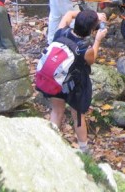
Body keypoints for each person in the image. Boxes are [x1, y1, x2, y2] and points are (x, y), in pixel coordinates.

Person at [45, 9, 107, 153]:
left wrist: (92, 15)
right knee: (78, 116)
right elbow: (92, 59)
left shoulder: (60, 32)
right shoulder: (85, 49)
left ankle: (50, 142)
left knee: (57, 111)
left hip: (56, 78)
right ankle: (84, 149)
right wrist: (98, 40)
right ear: (92, 30)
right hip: (75, 85)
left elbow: (68, 14)